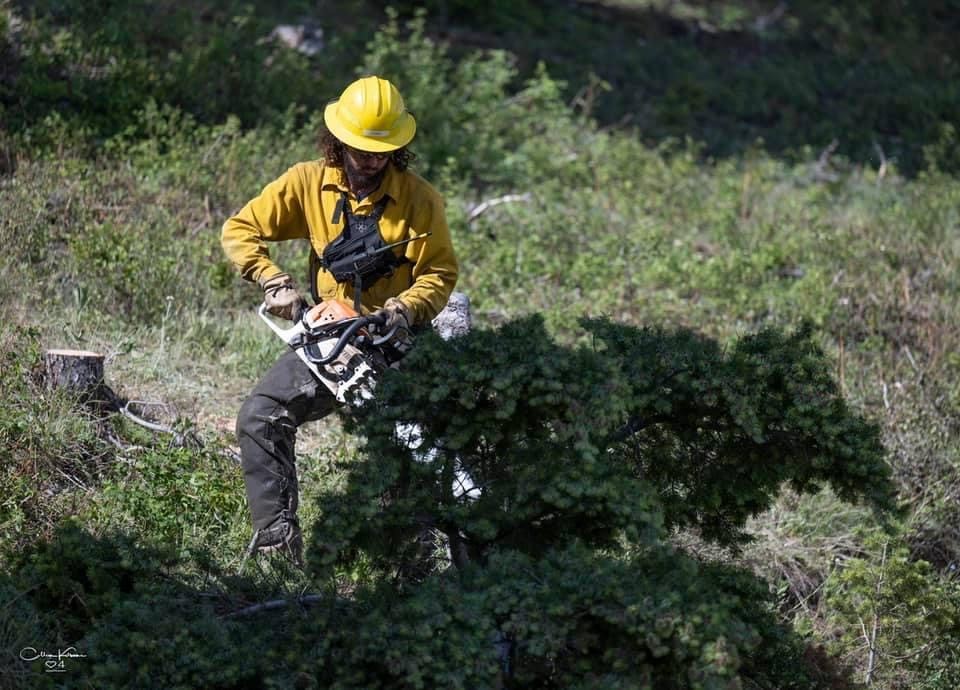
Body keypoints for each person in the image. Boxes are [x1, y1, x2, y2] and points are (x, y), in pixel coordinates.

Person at [221, 75, 459, 565]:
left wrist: (405, 309)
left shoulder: (420, 199)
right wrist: (271, 280)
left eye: (382, 150)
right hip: (330, 339)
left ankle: (410, 567)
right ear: (338, 139)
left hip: (398, 341)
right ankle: (278, 551)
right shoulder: (308, 181)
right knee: (260, 417)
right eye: (359, 148)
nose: (370, 159)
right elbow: (241, 228)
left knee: (408, 449)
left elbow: (438, 271)